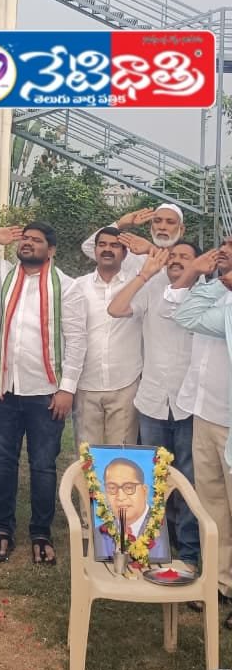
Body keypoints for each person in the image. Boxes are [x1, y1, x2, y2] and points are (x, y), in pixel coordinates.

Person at [0, 222, 87, 566]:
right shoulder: (1, 275)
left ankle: (41, 532)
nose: (28, 244)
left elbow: (76, 340)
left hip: (46, 394)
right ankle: (2, 528)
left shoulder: (68, 288)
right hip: (5, 389)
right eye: (25, 239)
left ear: (52, 249)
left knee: (43, 465)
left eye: (37, 240)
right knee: (2, 463)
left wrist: (67, 388)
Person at [108, 243, 203, 571]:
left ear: (200, 263)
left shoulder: (210, 293)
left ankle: (188, 554)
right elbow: (116, 308)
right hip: (152, 401)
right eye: (172, 257)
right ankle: (148, 549)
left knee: (189, 482)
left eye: (184, 258)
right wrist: (145, 273)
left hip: (192, 404)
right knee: (150, 479)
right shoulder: (153, 287)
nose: (176, 262)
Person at [171, 238, 232, 621]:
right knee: (213, 506)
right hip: (205, 413)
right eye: (223, 244)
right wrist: (215, 281)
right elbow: (186, 315)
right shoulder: (220, 297)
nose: (223, 250)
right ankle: (221, 582)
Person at [73, 227, 144, 448]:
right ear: (94, 250)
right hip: (86, 382)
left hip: (125, 383)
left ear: (125, 253)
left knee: (123, 455)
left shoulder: (138, 286)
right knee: (87, 458)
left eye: (114, 245)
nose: (107, 249)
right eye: (102, 244)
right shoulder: (77, 286)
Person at [81, 203, 186, 276]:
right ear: (151, 227)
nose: (162, 227)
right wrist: (120, 224)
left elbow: (185, 271)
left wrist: (151, 250)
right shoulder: (133, 255)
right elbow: (88, 247)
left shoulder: (190, 259)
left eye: (170, 222)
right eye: (157, 221)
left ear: (181, 230)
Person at [92, 456, 164, 560]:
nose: (120, 497)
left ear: (144, 491)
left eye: (129, 487)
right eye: (112, 488)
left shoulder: (161, 530)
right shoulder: (100, 533)